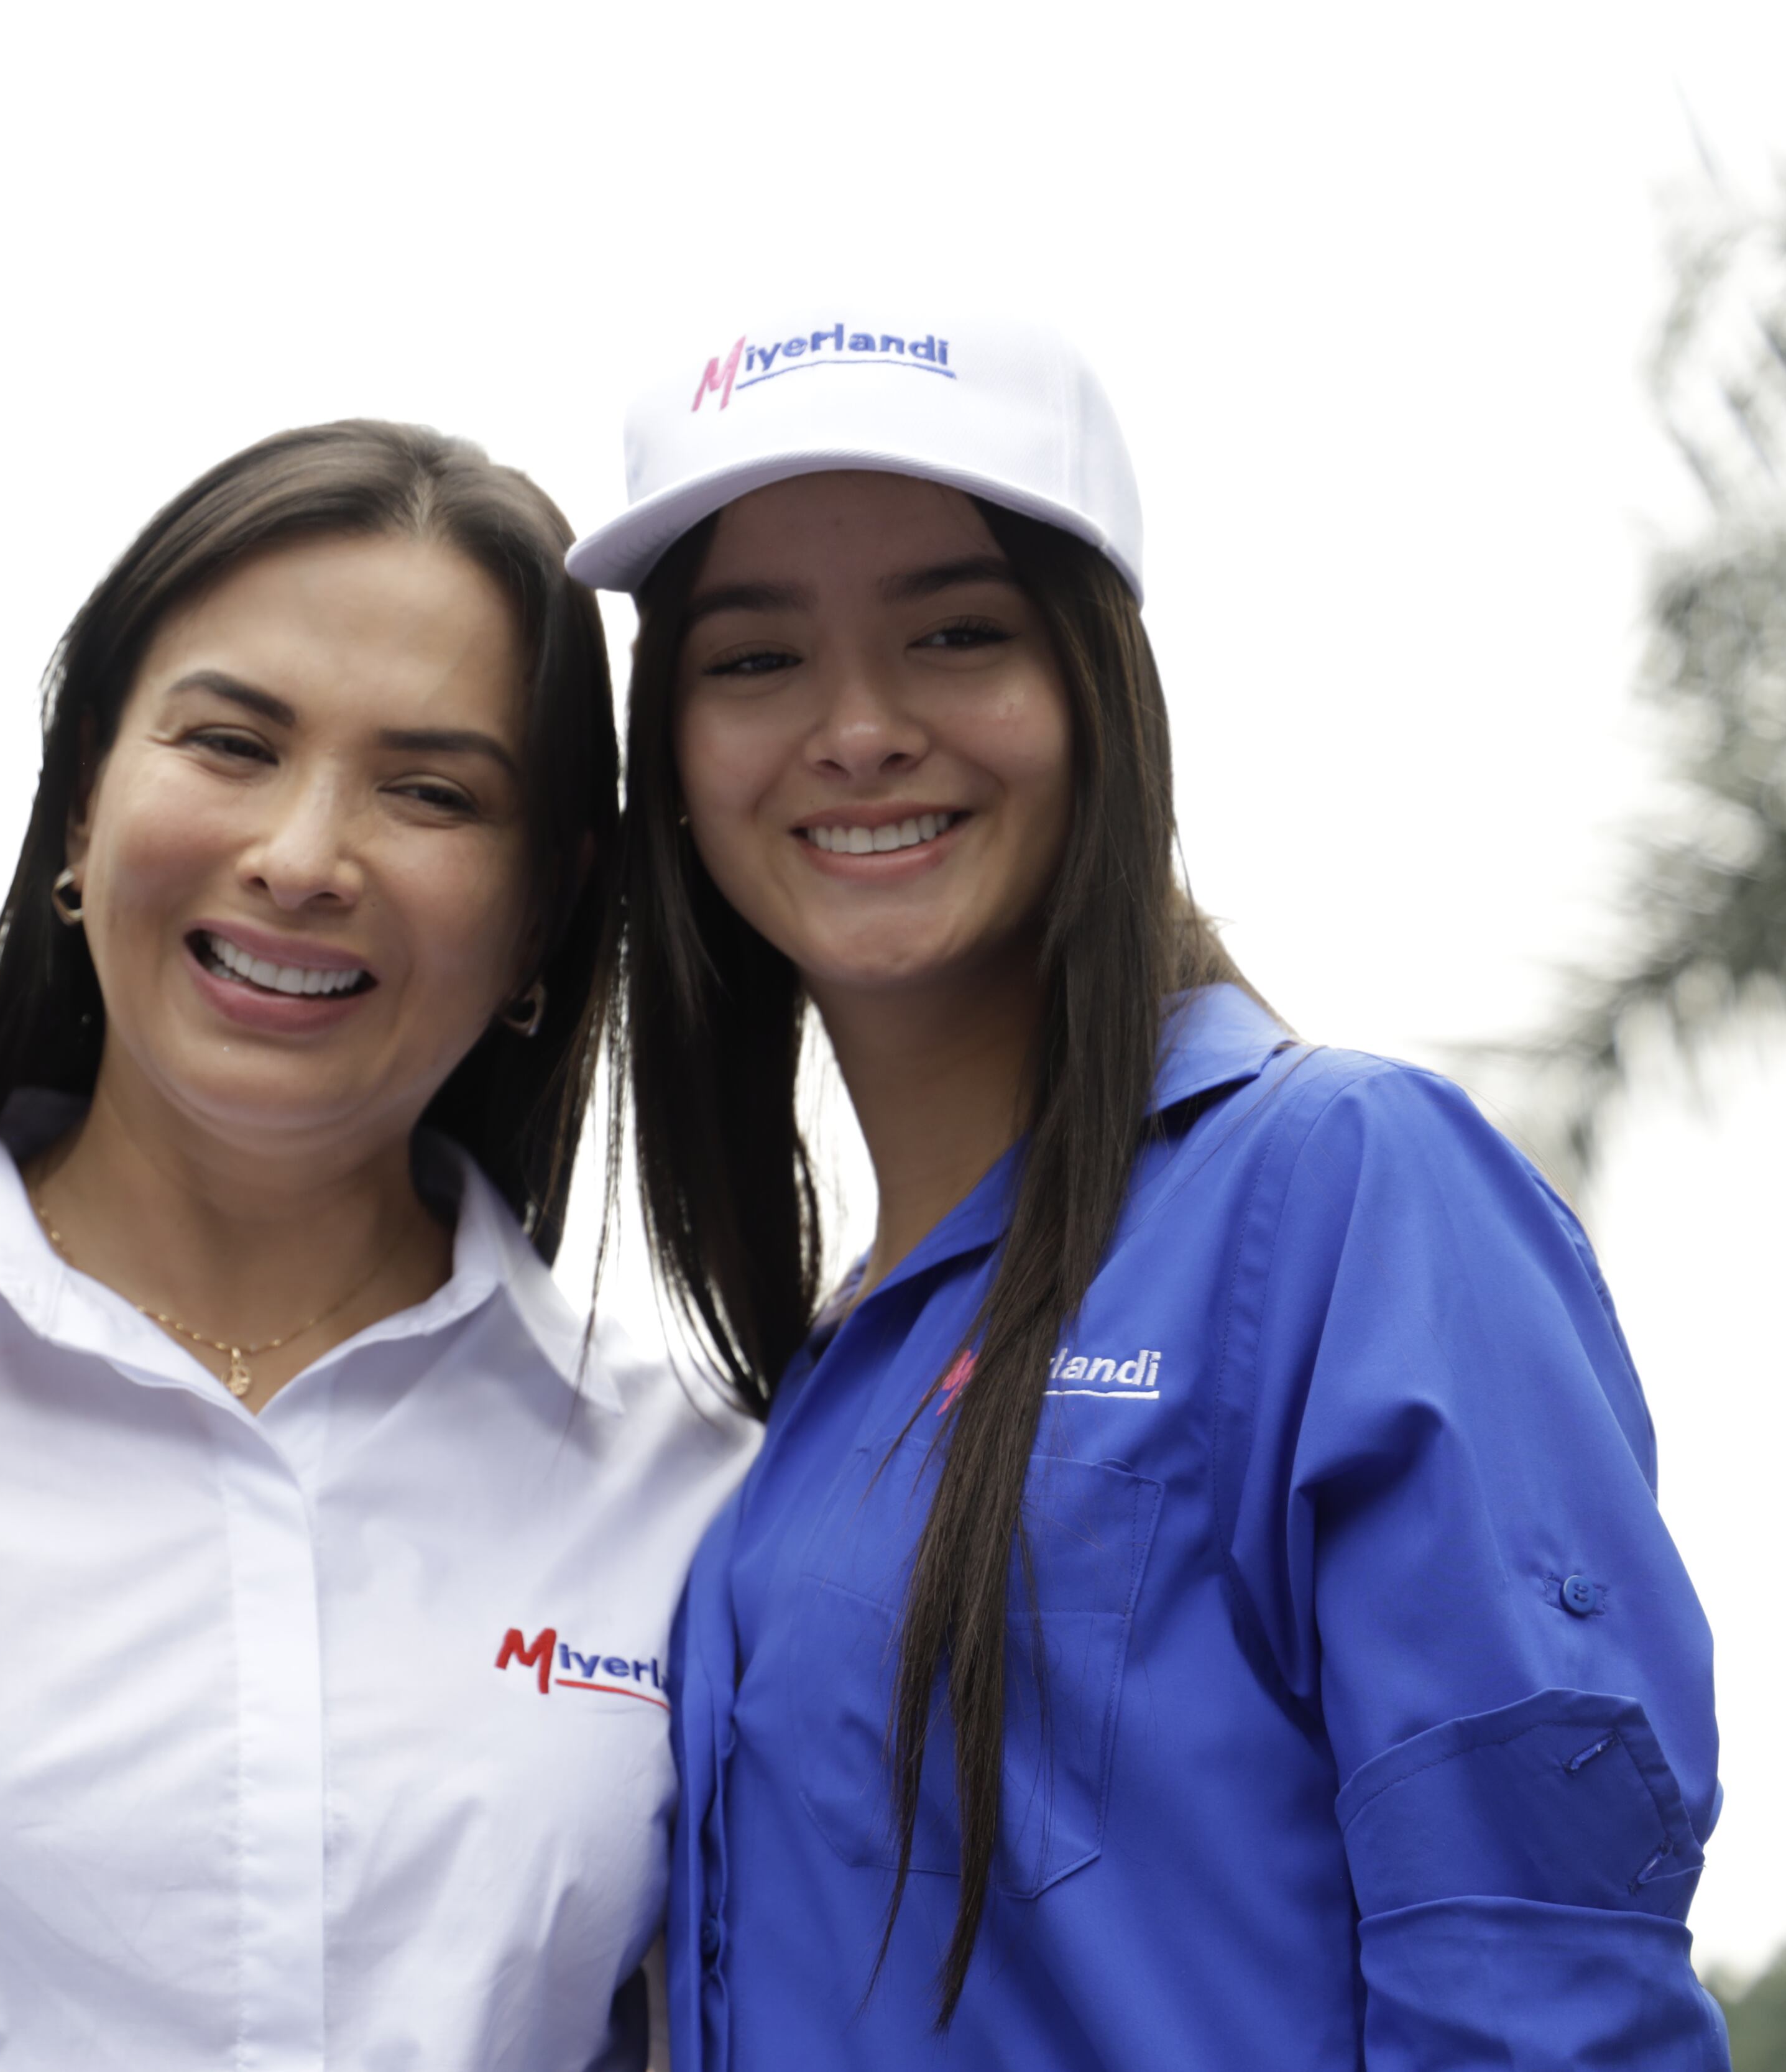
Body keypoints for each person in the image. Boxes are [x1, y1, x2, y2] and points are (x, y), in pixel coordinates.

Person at [569, 305, 1731, 2067]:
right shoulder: (814, 1389)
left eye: (957, 632)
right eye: (752, 658)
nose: (859, 727)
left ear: (1097, 691)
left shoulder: (1348, 1189)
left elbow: (1544, 2003)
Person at [0, 420, 750, 2070]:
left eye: (430, 790)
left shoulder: (695, 1500)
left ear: (551, 900)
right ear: (78, 800)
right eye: (232, 743)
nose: (303, 855)